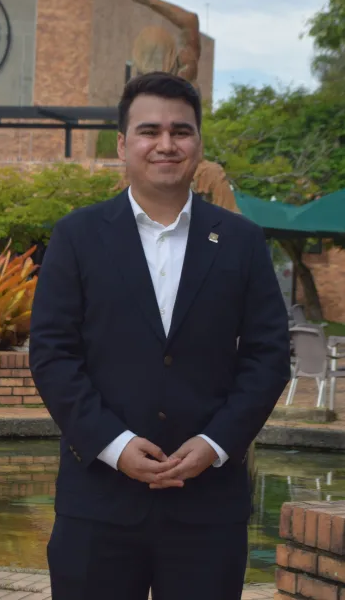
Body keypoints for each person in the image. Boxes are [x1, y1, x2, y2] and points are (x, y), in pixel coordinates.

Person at [29, 71, 291, 600]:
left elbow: (268, 357)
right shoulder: (77, 236)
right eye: (149, 131)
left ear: (199, 145)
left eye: (181, 131)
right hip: (98, 501)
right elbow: (53, 355)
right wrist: (115, 445)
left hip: (207, 505)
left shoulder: (241, 241)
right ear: (122, 145)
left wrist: (216, 444)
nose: (166, 144)